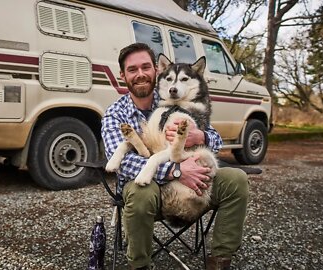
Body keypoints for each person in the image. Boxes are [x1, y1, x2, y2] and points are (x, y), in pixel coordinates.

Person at [101, 43, 249, 270]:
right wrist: (177, 171)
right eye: (132, 69)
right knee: (140, 193)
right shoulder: (115, 113)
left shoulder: (178, 101)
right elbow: (123, 162)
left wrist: (199, 136)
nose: (140, 74)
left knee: (235, 179)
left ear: (156, 70)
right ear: (123, 75)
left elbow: (216, 141)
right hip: (148, 188)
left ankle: (220, 260)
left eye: (145, 67)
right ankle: (139, 265)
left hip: (191, 188)